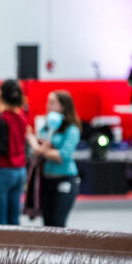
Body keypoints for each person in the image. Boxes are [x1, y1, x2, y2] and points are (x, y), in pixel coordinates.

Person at [28, 90, 81, 227]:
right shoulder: (46, 127)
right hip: (46, 180)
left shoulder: (71, 129)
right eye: (48, 102)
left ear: (63, 106)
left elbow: (63, 155)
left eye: (52, 102)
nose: (48, 106)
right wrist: (39, 147)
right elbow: (36, 152)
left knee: (58, 222)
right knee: (47, 223)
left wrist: (36, 145)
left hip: (65, 179)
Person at [0, 79, 29, 226]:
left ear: (1, 95)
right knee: (14, 220)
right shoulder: (22, 117)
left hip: (0, 171)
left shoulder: (0, 119)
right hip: (19, 171)